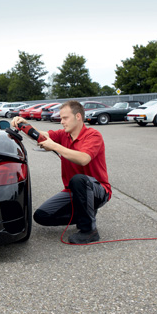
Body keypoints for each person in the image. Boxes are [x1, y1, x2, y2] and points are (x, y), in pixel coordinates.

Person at [11, 100, 111, 244]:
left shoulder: (93, 136)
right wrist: (24, 124)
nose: (61, 121)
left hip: (98, 190)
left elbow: (83, 159)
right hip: (73, 191)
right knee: (41, 216)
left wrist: (55, 146)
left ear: (78, 117)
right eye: (61, 118)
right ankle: (86, 214)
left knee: (78, 180)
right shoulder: (64, 134)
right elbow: (41, 135)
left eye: (65, 118)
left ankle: (89, 230)